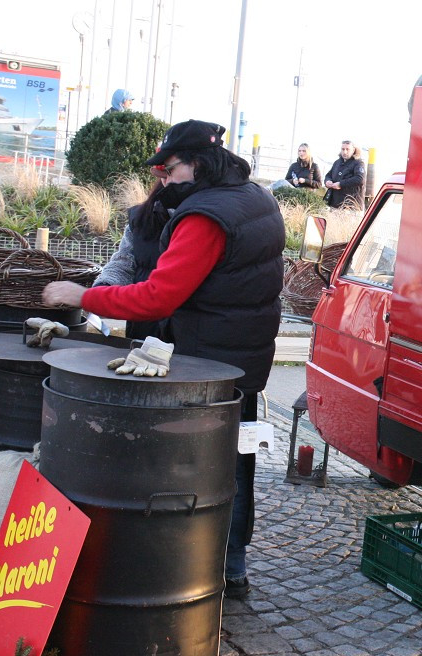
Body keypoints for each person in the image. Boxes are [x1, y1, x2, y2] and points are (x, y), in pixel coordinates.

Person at [43, 119, 285, 599]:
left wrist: (83, 295)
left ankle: (192, 575)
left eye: (169, 169)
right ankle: (231, 568)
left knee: (199, 472)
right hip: (242, 361)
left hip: (205, 368)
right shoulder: (255, 198)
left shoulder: (205, 217)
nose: (162, 179)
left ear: (197, 162)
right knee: (235, 465)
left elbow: (158, 298)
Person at [92, 170, 169, 340]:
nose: (167, 181)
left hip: (186, 338)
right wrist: (103, 288)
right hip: (143, 330)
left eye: (171, 172)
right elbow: (124, 261)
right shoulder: (143, 217)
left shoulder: (200, 218)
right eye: (163, 175)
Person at [323, 139, 365, 209]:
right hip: (335, 205)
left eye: (347, 149)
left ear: (353, 150)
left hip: (351, 206)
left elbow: (360, 179)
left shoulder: (359, 163)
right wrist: (327, 181)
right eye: (343, 149)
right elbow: (328, 175)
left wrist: (340, 184)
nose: (345, 152)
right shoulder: (337, 162)